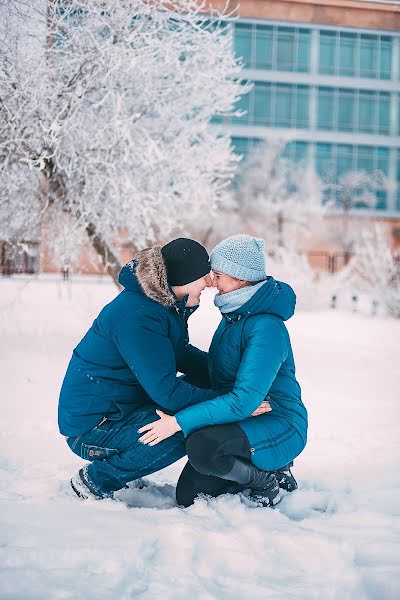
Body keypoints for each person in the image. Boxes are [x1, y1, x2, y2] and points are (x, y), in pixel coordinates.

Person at [58, 237, 271, 500]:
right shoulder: (138, 315)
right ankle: (96, 480)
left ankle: (126, 462)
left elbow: (179, 355)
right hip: (94, 428)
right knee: (188, 429)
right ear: (184, 277)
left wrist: (233, 378)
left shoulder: (160, 305)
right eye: (204, 275)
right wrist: (233, 402)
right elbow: (168, 394)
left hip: (121, 409)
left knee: (197, 404)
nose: (209, 283)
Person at [138, 234, 308, 507]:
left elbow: (244, 399)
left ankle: (265, 479)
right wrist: (167, 353)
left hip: (279, 423)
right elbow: (215, 369)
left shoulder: (266, 328)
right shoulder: (236, 315)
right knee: (188, 496)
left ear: (240, 279)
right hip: (245, 418)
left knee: (203, 447)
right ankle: (256, 467)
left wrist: (177, 421)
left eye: (217, 275)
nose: (211, 282)